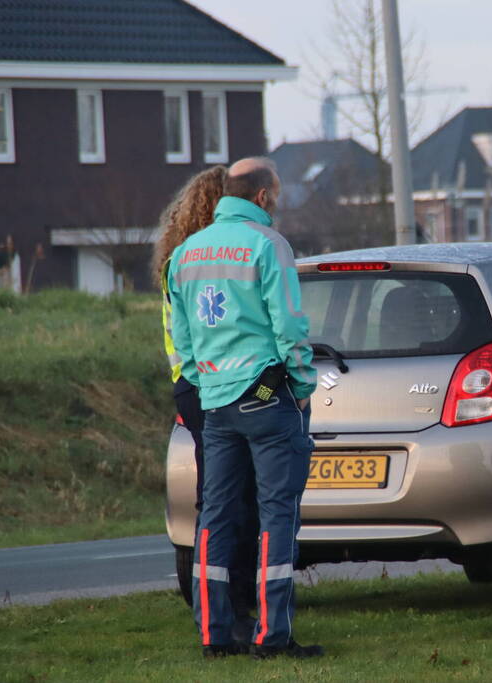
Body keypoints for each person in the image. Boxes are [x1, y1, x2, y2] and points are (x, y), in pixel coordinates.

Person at [167, 157, 321, 660]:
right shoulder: (267, 245)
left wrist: (206, 381)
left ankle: (213, 632)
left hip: (215, 403)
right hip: (266, 396)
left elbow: (183, 341)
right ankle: (273, 636)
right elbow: (291, 327)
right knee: (277, 515)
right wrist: (300, 385)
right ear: (261, 197)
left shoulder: (185, 253)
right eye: (274, 196)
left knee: (215, 516)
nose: (275, 205)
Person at [154, 165, 260, 640]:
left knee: (215, 501)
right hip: (217, 385)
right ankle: (231, 605)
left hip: (192, 386)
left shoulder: (181, 259)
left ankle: (216, 607)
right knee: (236, 500)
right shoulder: (215, 259)